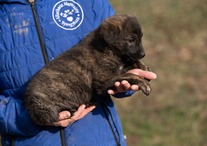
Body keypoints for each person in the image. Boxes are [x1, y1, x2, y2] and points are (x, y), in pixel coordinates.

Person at [0, 0, 157, 146]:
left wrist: (126, 83)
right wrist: (24, 118)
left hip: (97, 138)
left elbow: (118, 51)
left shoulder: (90, 3)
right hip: (32, 137)